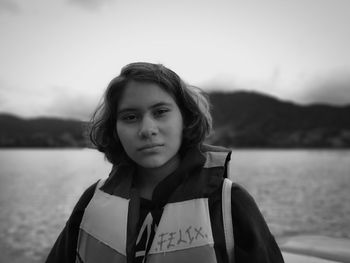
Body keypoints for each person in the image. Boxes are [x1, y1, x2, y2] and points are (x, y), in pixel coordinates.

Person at [46, 62, 284, 263]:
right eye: (130, 117)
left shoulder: (230, 203)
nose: (147, 130)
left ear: (186, 118)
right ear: (115, 129)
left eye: (160, 112)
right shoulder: (92, 201)